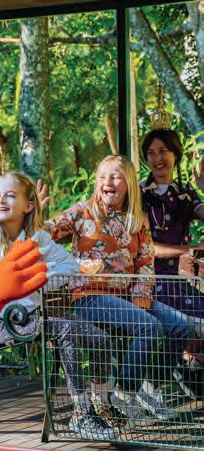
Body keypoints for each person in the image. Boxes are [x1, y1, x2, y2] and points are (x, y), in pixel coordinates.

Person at [0, 150, 117, 440]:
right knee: (67, 329)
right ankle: (81, 413)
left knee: (100, 338)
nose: (1, 200)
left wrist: (37, 279)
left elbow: (69, 266)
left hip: (36, 315)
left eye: (10, 195)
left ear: (28, 205)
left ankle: (100, 403)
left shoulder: (37, 238)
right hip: (6, 319)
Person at [45, 155, 190, 422]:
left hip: (128, 296)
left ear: (129, 183)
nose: (107, 182)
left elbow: (145, 262)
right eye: (102, 176)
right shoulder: (82, 212)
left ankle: (148, 385)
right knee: (149, 327)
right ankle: (123, 391)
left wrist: (140, 298)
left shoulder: (138, 219)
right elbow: (45, 234)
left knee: (182, 327)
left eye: (114, 176)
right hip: (90, 297)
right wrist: (33, 216)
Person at [141, 128, 204, 367]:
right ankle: (168, 372)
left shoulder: (185, 192)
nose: (157, 158)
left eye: (163, 151)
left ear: (175, 154)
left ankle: (188, 368)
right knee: (188, 328)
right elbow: (146, 247)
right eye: (151, 153)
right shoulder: (139, 195)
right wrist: (189, 250)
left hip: (184, 279)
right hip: (155, 281)